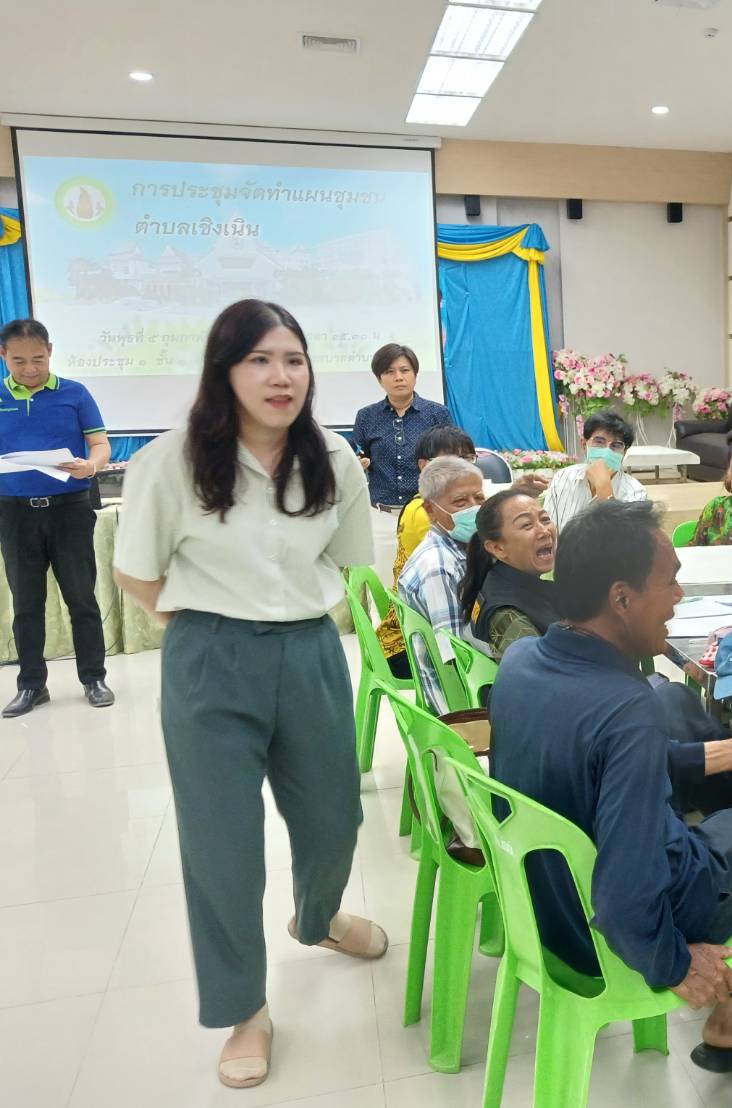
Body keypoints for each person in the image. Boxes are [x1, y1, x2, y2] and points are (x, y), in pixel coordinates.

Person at [112, 300, 386, 1090]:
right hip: (209, 658)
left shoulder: (333, 457)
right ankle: (245, 1009)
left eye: (293, 359)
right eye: (259, 359)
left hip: (308, 653)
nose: (280, 376)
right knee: (222, 848)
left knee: (334, 819)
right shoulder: (170, 460)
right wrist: (203, 625)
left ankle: (319, 917)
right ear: (224, 371)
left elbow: (349, 561)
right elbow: (135, 570)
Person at [490, 500, 732, 1073]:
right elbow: (625, 896)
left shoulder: (522, 660)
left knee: (728, 775)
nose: (678, 595)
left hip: (541, 910)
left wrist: (726, 753)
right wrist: (673, 963)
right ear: (622, 599)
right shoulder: (627, 709)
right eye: (669, 581)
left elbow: (601, 761)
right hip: (606, 933)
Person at [0, 317, 114, 717]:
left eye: (37, 359)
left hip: (69, 509)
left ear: (50, 351)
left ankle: (94, 678)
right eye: (18, 361)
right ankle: (32, 685)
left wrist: (92, 466)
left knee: (81, 597)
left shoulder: (74, 393)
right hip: (14, 513)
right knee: (26, 603)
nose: (30, 369)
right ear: (3, 356)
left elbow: (100, 444)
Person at [375, 425, 476, 678]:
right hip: (409, 643)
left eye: (466, 459)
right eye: (450, 461)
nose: (460, 468)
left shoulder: (449, 507)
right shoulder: (426, 514)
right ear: (424, 466)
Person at [350, 343, 451, 582]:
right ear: (379, 379)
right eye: (389, 372)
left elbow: (451, 460)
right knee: (384, 584)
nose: (398, 377)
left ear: (415, 374)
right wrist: (359, 463)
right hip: (382, 516)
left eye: (405, 370)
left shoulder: (437, 414)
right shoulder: (366, 416)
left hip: (426, 513)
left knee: (429, 582)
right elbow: (356, 453)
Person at [398, 455, 485, 711]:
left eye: (479, 498)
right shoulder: (438, 567)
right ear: (430, 509)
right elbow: (455, 657)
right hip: (462, 700)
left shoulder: (465, 548)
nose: (473, 508)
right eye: (460, 502)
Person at [459, 488, 558, 662]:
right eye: (527, 525)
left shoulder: (500, 579)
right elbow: (540, 675)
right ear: (497, 548)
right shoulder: (508, 615)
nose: (544, 531)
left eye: (545, 519)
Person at [543, 409, 647, 530]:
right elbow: (547, 530)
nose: (607, 451)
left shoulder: (635, 492)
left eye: (616, 445)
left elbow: (622, 539)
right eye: (599, 442)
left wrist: (604, 488)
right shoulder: (563, 478)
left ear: (624, 453)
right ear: (584, 445)